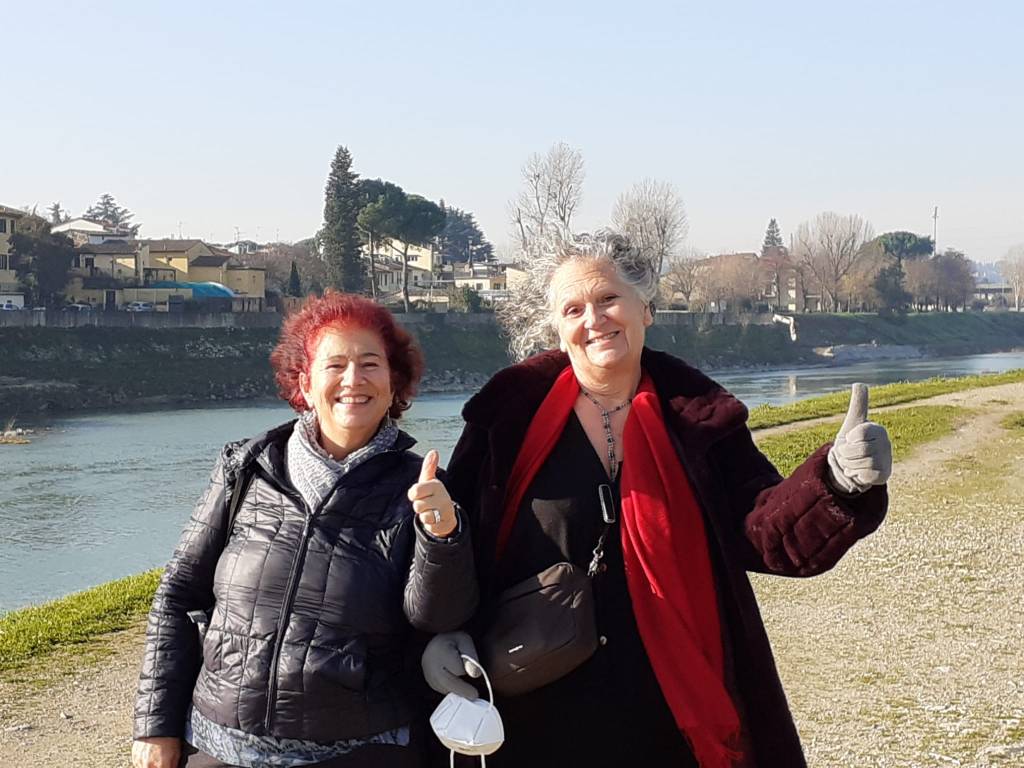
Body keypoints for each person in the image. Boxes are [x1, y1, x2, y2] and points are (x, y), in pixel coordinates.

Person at [421, 231, 892, 768]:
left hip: (672, 704)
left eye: (608, 299)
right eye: (573, 309)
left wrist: (836, 482)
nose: (594, 319)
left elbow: (763, 534)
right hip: (535, 705)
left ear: (645, 308)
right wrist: (444, 634)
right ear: (555, 328)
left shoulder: (699, 418)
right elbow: (460, 545)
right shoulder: (506, 418)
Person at [132, 291, 478, 768]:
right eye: (334, 365)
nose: (353, 380)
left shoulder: (423, 487)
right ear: (306, 384)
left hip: (358, 751)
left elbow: (438, 619)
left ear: (394, 383)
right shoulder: (246, 467)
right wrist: (156, 726)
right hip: (216, 745)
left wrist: (442, 535)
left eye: (370, 364)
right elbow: (178, 593)